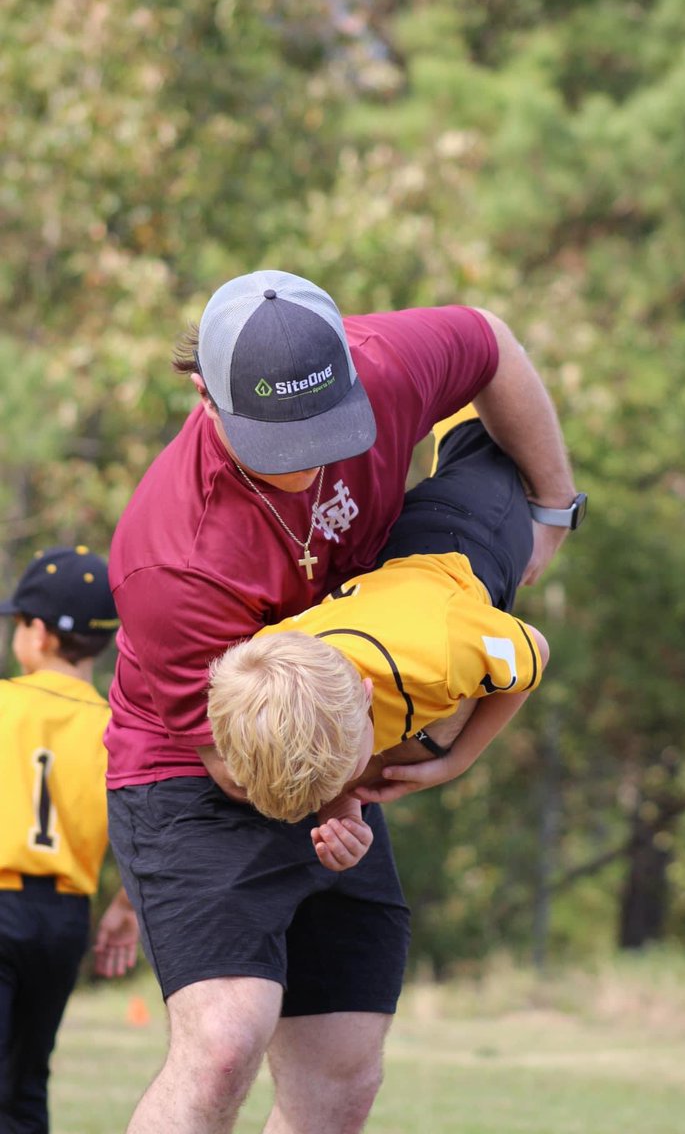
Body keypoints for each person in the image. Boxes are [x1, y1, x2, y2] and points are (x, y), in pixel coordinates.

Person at [106, 268, 584, 1134]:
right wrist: (355, 792)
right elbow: (243, 764)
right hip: (200, 767)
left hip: (334, 729)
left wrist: (554, 503)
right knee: (223, 1041)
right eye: (277, 444)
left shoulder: (387, 360)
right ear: (204, 395)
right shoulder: (170, 557)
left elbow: (490, 342)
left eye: (326, 433)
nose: (309, 466)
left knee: (342, 1069)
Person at [208, 407, 553, 873]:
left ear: (367, 692)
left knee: (488, 445)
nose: (347, 781)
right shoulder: (277, 654)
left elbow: (535, 649)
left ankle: (481, 352)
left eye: (347, 773)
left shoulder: (443, 652)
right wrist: (340, 808)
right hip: (400, 563)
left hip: (476, 535)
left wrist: (458, 762)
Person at [0, 546, 140, 1134]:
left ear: (37, 634)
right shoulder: (118, 726)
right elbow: (146, 822)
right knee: (26, 1084)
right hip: (62, 919)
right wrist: (124, 908)